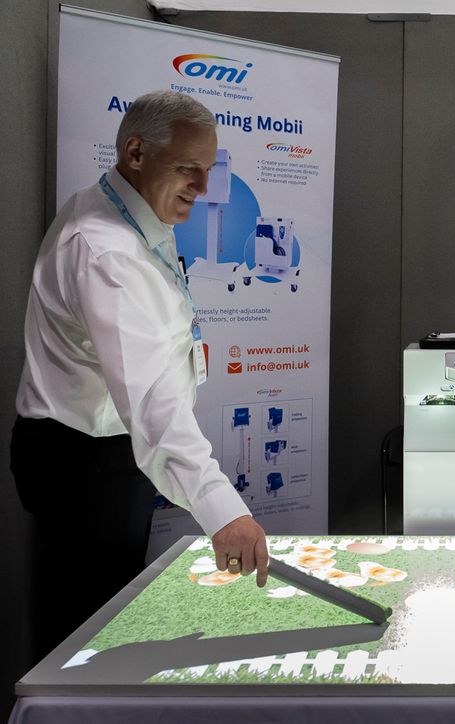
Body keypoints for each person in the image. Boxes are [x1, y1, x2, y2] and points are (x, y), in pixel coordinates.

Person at [11, 90, 268, 662]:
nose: (203, 188)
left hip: (99, 450)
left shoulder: (123, 210)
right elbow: (153, 401)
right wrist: (224, 512)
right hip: (86, 461)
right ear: (135, 152)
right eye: (188, 169)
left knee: (97, 610)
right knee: (86, 628)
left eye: (208, 169)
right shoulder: (108, 253)